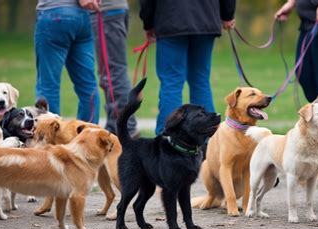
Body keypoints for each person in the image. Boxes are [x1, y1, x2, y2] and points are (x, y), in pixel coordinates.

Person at [140, 0, 236, 135]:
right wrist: (227, 15)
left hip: (170, 18)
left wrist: (148, 22)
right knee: (200, 81)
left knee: (172, 82)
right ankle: (209, 139)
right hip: (206, 17)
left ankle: (167, 138)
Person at [34, 0, 100, 124]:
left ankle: (51, 140)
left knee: (48, 86)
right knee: (88, 86)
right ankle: (90, 138)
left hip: (54, 14)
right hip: (83, 18)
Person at [91, 0, 139, 137]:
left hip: (106, 11)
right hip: (112, 10)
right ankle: (118, 126)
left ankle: (125, 128)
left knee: (112, 74)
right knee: (112, 72)